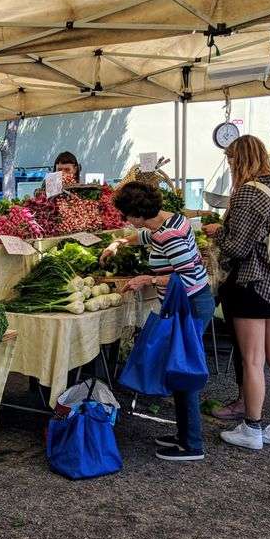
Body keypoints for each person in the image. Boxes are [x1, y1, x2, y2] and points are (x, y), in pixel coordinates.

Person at [202, 135, 270, 452]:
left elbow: (236, 247)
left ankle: (252, 428)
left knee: (252, 360)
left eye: (231, 161)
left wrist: (218, 233)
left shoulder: (248, 193)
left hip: (252, 284)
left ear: (238, 160)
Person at [102, 181, 214, 462]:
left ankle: (192, 445)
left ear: (139, 214)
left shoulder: (169, 236)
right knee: (178, 366)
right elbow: (145, 236)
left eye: (127, 215)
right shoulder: (169, 221)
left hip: (189, 306)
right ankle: (184, 435)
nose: (126, 220)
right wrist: (119, 242)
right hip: (189, 303)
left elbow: (187, 276)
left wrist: (149, 280)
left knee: (183, 369)